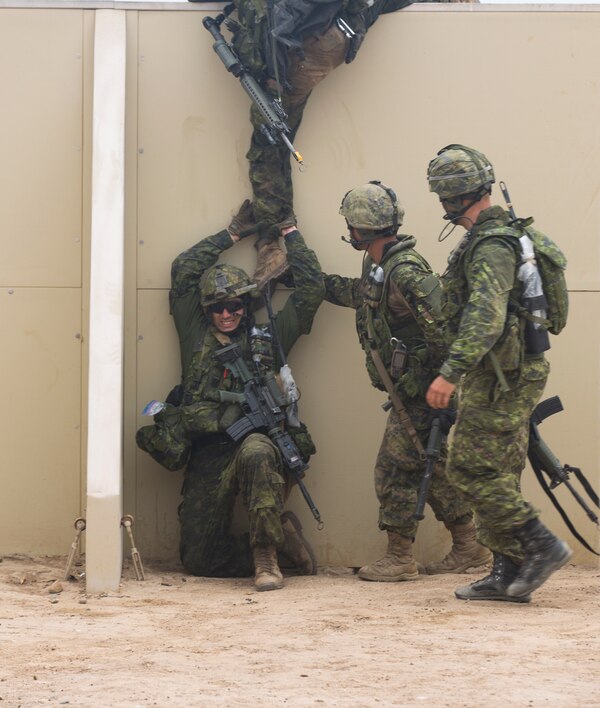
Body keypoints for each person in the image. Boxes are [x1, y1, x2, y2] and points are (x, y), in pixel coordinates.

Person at [186, 0, 479, 287]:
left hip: (279, 70)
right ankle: (455, 2)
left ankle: (272, 247)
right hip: (331, 38)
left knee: (268, 151)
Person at [136, 200, 325, 592]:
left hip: (254, 444)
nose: (227, 314)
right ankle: (285, 544)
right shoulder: (194, 335)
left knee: (257, 450)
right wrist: (234, 234)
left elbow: (312, 288)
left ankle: (265, 559)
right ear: (206, 310)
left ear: (247, 304)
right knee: (199, 560)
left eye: (235, 306)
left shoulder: (267, 338)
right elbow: (183, 270)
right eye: (218, 307)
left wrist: (289, 232)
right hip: (208, 451)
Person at [322, 181, 490, 582]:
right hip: (413, 391)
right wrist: (313, 280)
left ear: (362, 230)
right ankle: (469, 546)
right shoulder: (379, 264)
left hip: (424, 393)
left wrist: (437, 384)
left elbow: (444, 331)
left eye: (351, 225)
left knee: (394, 468)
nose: (349, 230)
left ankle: (399, 557)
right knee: (430, 464)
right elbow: (361, 295)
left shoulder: (406, 271)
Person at [425, 144, 572, 603]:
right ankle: (507, 573)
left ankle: (540, 546)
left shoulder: (491, 246)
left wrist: (450, 373)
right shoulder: (505, 236)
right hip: (504, 371)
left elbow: (485, 318)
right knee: (498, 472)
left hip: (500, 376)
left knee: (470, 469)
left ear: (449, 199)